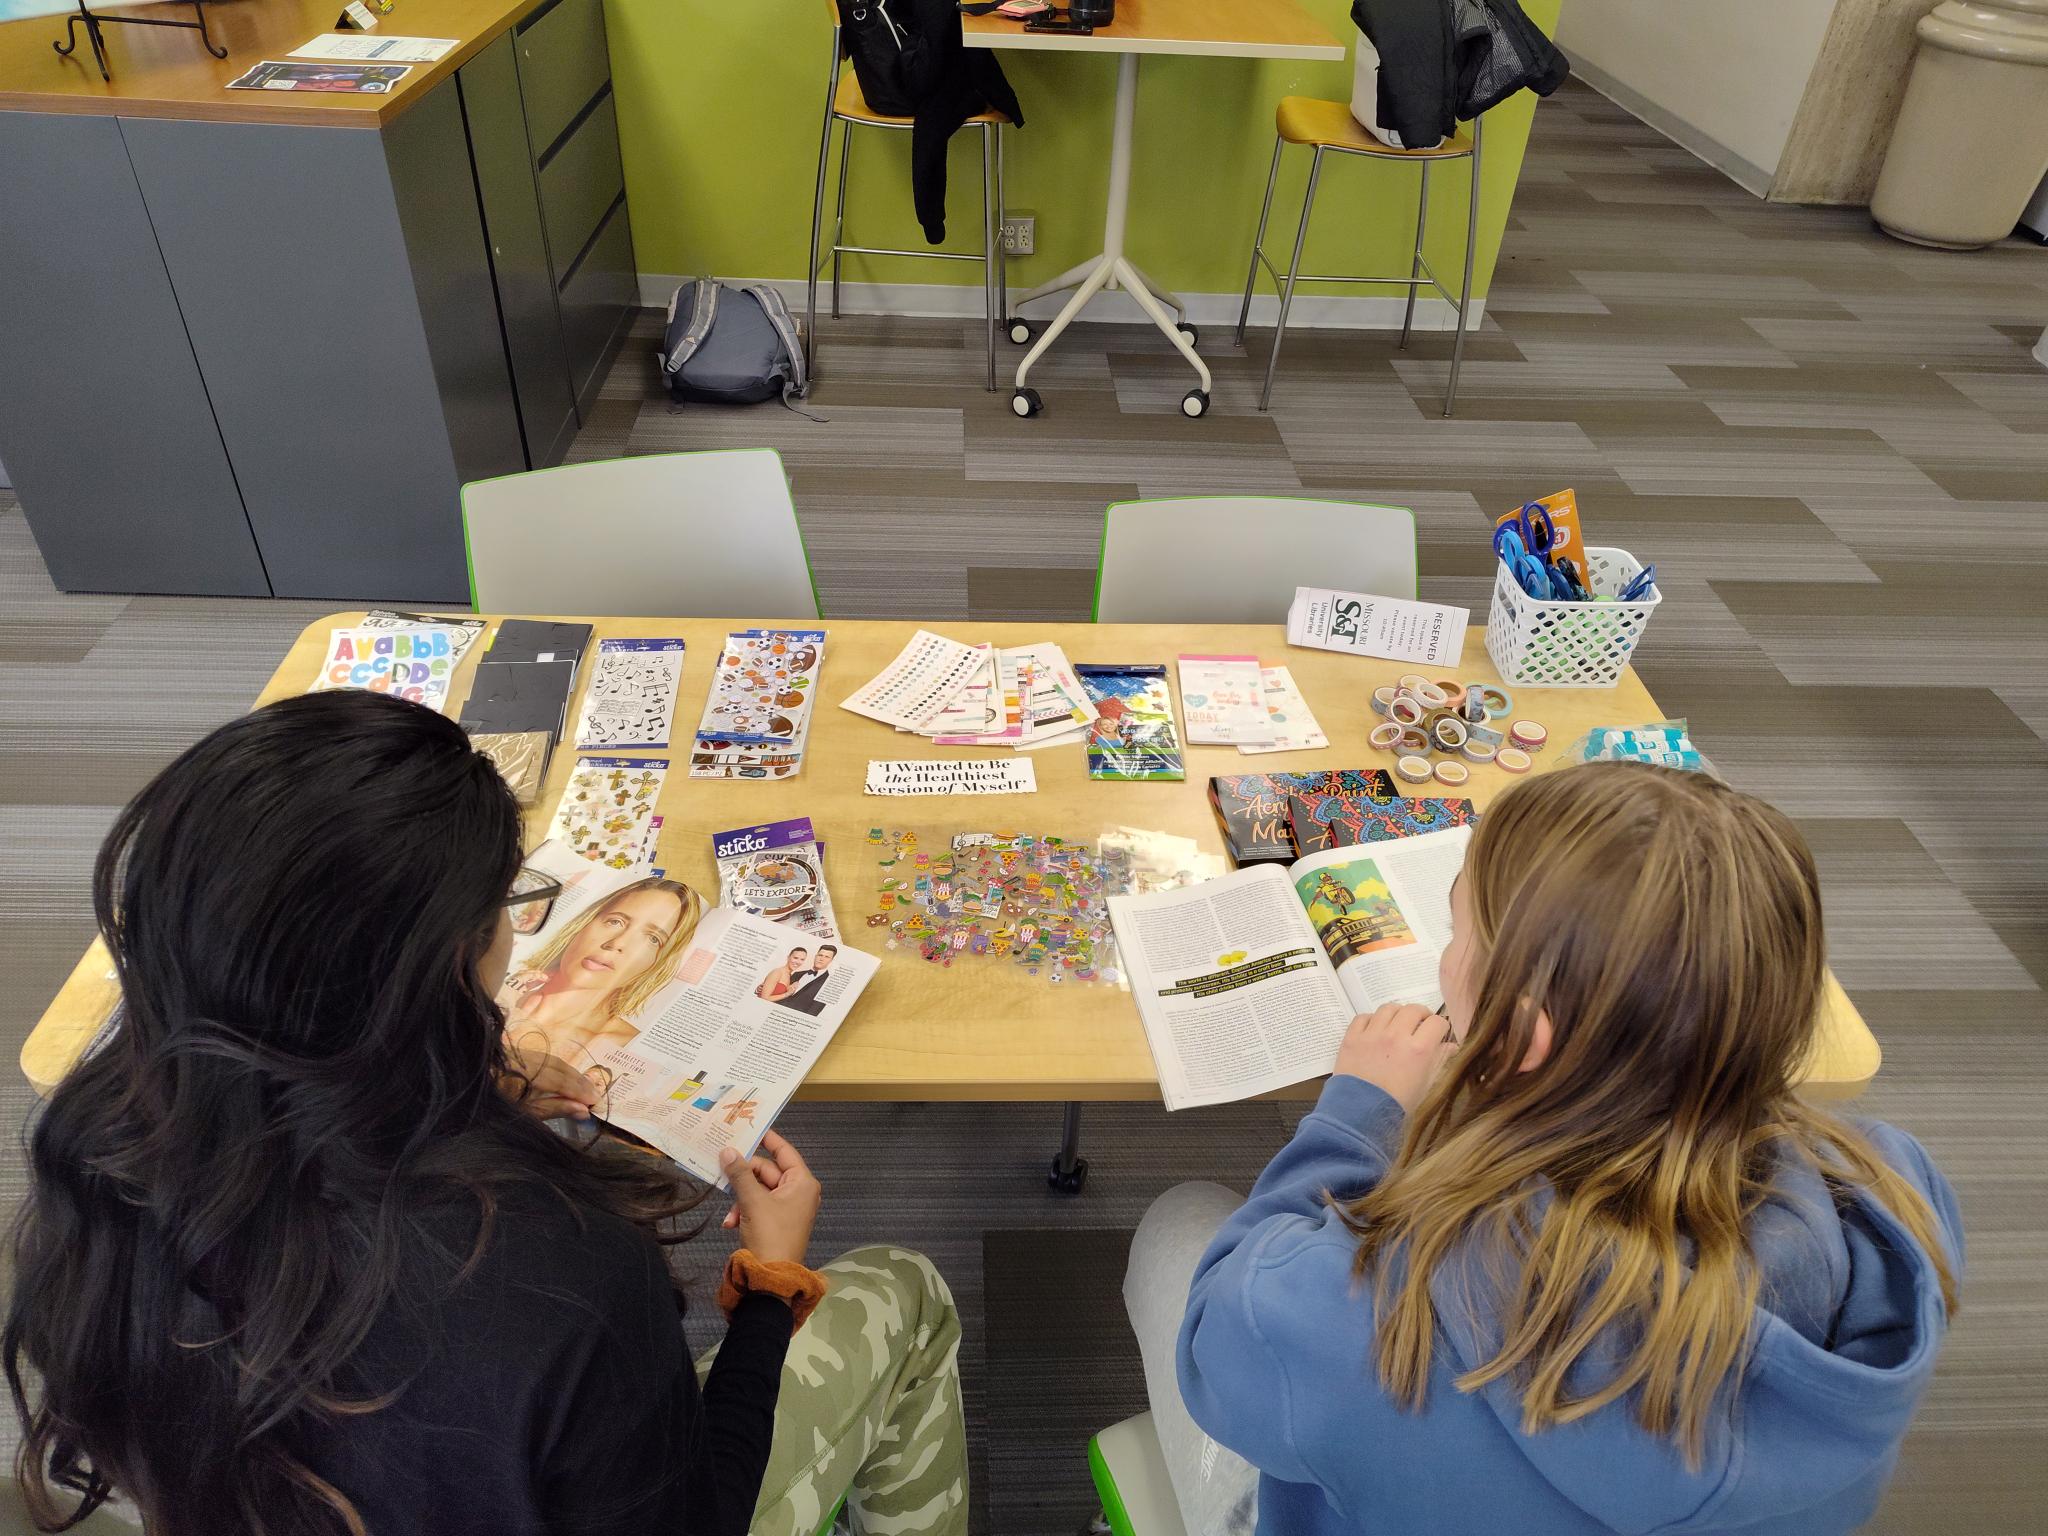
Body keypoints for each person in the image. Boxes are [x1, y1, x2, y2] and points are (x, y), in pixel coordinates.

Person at [3, 690, 969, 1536]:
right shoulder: (565, 1271)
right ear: (449, 961)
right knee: (905, 1287)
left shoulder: (91, 1143)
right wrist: (770, 1287)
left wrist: (468, 1087)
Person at [1124, 762, 1963, 1536]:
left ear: (1525, 1035)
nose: (1445, 963)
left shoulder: (1364, 1316)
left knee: (1180, 1222)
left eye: (1455, 936)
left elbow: (1214, 1350)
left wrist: (1356, 1116)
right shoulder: (1892, 1202)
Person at [497, 875, 704, 1071]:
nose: (617, 943)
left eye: (652, 939)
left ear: (657, 964)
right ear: (583, 925)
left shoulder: (620, 1046)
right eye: (615, 921)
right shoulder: (498, 993)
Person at [776, 945, 838, 1016]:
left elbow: (813, 1012)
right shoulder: (797, 974)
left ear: (831, 960)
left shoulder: (829, 985)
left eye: (827, 957)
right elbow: (779, 993)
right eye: (820, 955)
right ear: (815, 956)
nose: (821, 959)